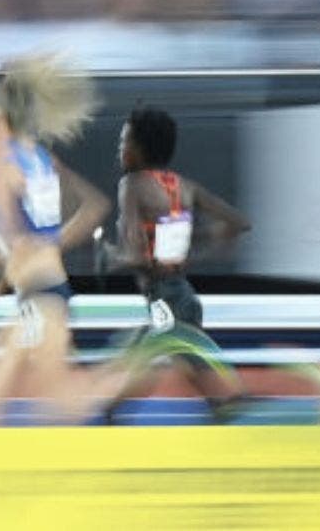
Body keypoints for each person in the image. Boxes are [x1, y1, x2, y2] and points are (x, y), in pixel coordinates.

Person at [0, 52, 112, 427]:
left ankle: (141, 365)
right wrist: (51, 242)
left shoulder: (2, 171)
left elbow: (21, 245)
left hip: (41, 299)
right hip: (40, 295)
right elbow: (94, 207)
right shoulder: (37, 156)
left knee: (63, 406)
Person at [92, 105, 252, 422]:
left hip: (164, 296)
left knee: (148, 354)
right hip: (183, 294)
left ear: (141, 148)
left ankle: (110, 411)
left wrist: (108, 255)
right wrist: (198, 247)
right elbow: (238, 222)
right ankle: (224, 403)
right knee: (178, 357)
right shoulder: (183, 185)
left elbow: (137, 257)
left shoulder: (132, 185)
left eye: (125, 141)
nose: (120, 149)